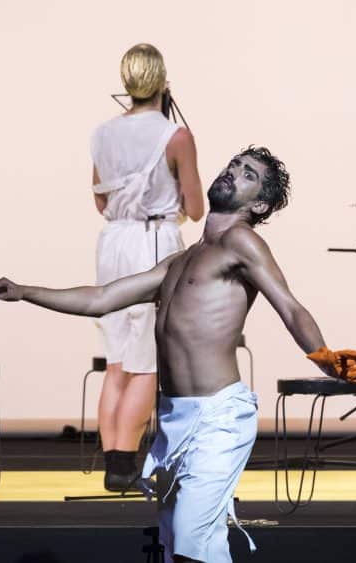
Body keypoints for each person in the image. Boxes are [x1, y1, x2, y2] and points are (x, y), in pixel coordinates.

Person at [0, 147, 356, 562]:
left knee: (190, 539)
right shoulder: (179, 261)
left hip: (218, 419)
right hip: (173, 420)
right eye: (234, 165)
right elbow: (101, 298)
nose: (233, 172)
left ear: (258, 205)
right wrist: (25, 291)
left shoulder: (241, 241)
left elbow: (289, 306)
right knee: (180, 547)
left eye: (249, 175)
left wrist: (323, 355)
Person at [90, 43, 205, 491]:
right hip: (154, 241)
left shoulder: (102, 133)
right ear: (162, 82)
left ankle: (114, 459)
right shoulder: (175, 136)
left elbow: (100, 201)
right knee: (147, 360)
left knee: (118, 357)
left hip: (113, 242)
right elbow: (195, 208)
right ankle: (123, 463)